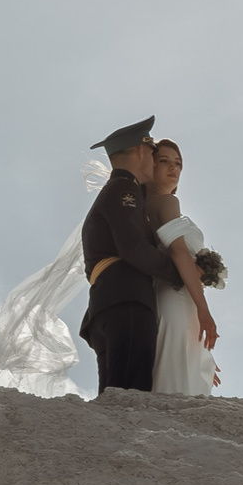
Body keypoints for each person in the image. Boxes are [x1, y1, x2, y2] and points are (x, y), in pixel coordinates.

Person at [77, 117, 183, 394]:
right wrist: (179, 273)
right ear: (139, 151)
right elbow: (133, 247)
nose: (153, 158)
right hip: (127, 301)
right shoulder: (126, 189)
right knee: (130, 393)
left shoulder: (116, 189)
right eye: (152, 152)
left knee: (113, 394)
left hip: (110, 301)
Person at [146, 139, 221, 394]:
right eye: (164, 161)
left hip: (180, 297)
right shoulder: (165, 203)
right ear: (149, 165)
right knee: (176, 375)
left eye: (178, 164)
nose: (173, 168)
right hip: (175, 296)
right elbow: (179, 253)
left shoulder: (154, 206)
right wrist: (204, 311)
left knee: (180, 365)